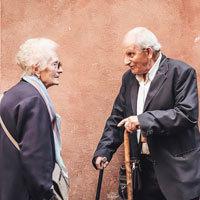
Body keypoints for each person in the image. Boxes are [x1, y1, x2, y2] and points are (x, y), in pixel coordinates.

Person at [92, 27, 200, 200]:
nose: (125, 61)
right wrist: (104, 151)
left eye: (130, 54)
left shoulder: (181, 72)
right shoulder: (128, 79)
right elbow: (117, 118)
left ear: (148, 52)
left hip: (177, 173)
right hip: (142, 174)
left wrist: (142, 120)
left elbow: (186, 114)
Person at [0, 38, 69, 200]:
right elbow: (35, 157)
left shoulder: (12, 94)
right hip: (26, 193)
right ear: (37, 67)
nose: (60, 70)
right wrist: (47, 194)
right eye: (55, 64)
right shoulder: (34, 100)